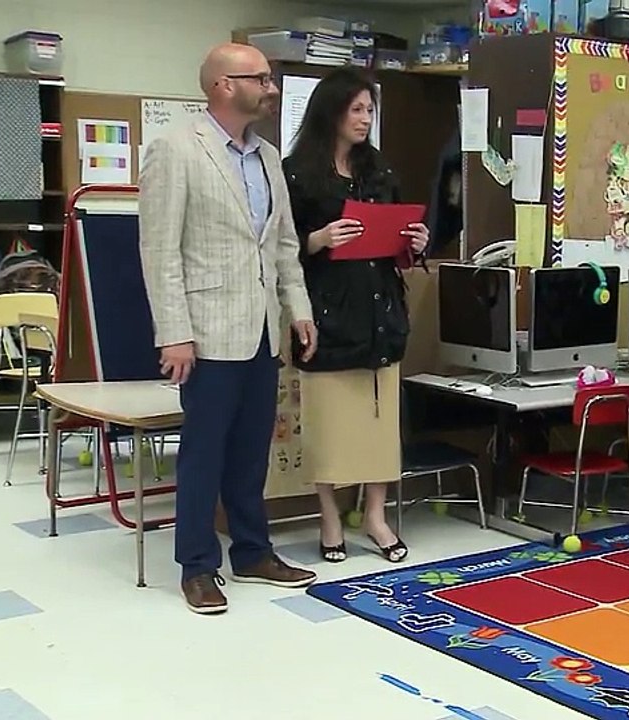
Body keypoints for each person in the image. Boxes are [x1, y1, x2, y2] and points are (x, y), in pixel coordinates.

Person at [139, 44, 318, 614]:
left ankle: (253, 552)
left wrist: (299, 309)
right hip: (207, 330)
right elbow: (160, 250)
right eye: (259, 78)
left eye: (269, 78)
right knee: (204, 453)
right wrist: (174, 333)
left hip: (262, 329)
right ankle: (197, 566)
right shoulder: (176, 149)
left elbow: (283, 244)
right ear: (222, 85)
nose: (271, 88)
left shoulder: (268, 157)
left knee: (250, 453)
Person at [283, 67, 430, 564]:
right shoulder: (297, 172)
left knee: (379, 426)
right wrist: (319, 239)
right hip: (327, 311)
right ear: (332, 112)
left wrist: (414, 242)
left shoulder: (379, 170)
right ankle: (329, 518)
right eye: (356, 110)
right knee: (329, 427)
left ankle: (375, 515)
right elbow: (280, 247)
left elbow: (397, 245)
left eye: (370, 110)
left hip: (379, 310)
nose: (365, 119)